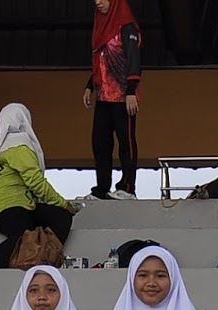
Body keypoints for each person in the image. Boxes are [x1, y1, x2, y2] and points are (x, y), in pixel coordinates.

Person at [0, 103, 78, 267]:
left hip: (7, 207)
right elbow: (36, 182)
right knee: (22, 235)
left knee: (58, 218)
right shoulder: (19, 145)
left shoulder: (0, 147)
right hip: (10, 205)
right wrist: (64, 203)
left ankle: (41, 256)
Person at [85, 0, 143, 200]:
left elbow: (133, 58)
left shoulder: (126, 26)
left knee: (126, 142)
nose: (98, 3)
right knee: (100, 142)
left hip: (123, 96)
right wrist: (90, 85)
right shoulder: (101, 24)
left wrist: (131, 91)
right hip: (103, 97)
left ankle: (128, 187)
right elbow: (100, 60)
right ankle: (102, 188)